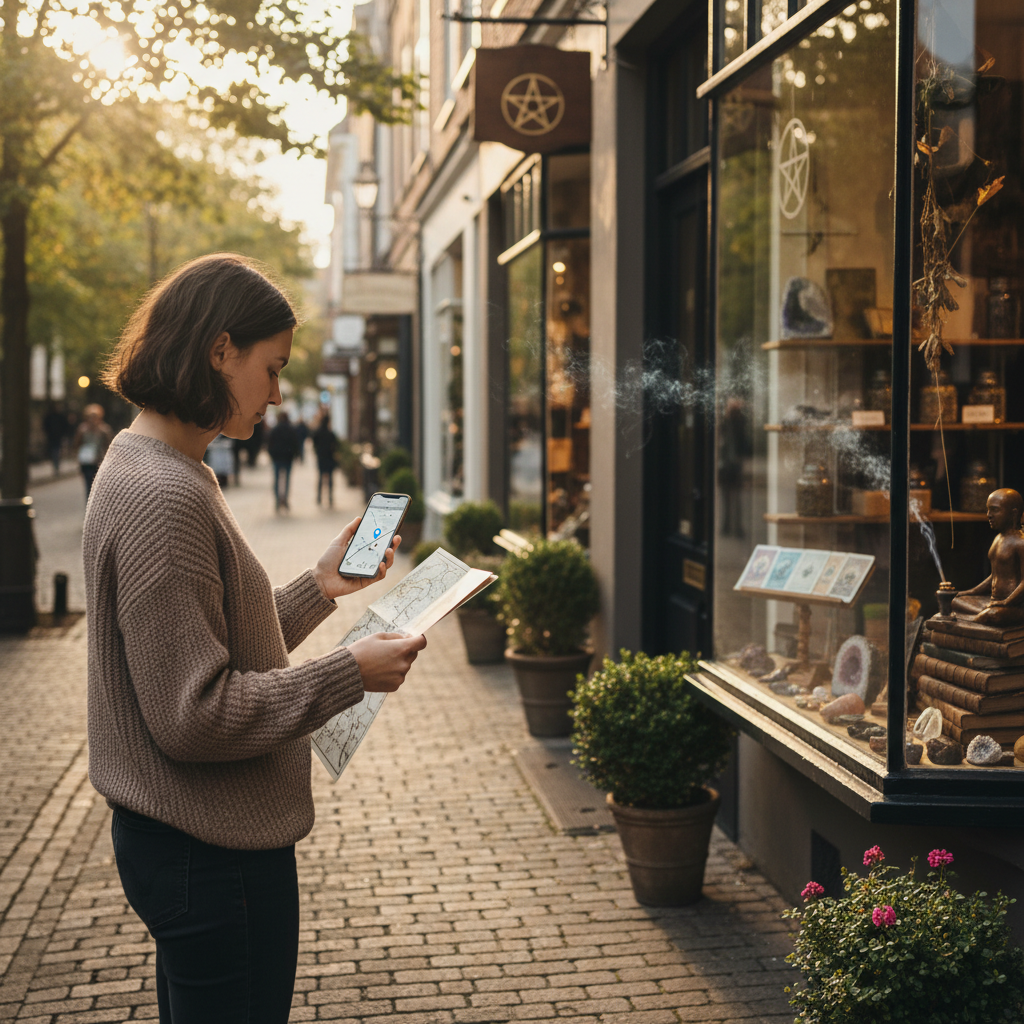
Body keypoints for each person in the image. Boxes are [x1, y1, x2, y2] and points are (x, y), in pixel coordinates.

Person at [85, 252, 426, 1024]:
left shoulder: (150, 465)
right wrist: (348, 672)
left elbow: (201, 641)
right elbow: (195, 714)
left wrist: (319, 586)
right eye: (271, 369)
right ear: (220, 350)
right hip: (211, 854)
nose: (276, 395)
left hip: (189, 842)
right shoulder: (164, 493)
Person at [74, 403, 114, 501]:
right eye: (90, 417)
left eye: (95, 417)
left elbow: (108, 445)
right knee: (88, 485)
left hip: (99, 461)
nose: (93, 419)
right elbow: (77, 444)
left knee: (98, 486)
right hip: (86, 462)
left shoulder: (104, 430)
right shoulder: (82, 429)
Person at [267, 410, 296, 511]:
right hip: (288, 458)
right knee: (287, 479)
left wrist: (272, 454)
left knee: (276, 479)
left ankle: (277, 500)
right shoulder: (291, 429)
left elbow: (269, 443)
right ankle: (285, 499)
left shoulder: (275, 429)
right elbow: (295, 443)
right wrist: (294, 455)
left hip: (277, 458)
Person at [312, 412, 338, 507]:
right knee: (330, 478)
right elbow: (335, 445)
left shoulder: (318, 432)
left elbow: (314, 443)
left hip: (321, 457)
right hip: (329, 457)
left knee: (320, 477)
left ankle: (319, 497)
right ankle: (330, 497)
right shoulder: (330, 433)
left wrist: (317, 451)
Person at [43, 402, 70, 477]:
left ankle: (56, 466)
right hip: (52, 437)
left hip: (58, 437)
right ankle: (55, 466)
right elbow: (45, 425)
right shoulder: (50, 416)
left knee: (56, 452)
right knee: (54, 452)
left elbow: (65, 425)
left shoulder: (60, 416)